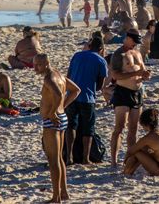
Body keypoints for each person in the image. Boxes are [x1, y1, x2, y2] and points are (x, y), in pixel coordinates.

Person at [35, 53, 80, 203]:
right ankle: (64, 193)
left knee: (53, 160)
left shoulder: (49, 78)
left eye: (38, 65)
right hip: (62, 118)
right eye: (34, 64)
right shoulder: (58, 74)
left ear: (46, 63)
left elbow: (59, 95)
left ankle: (56, 197)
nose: (35, 68)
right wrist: (62, 108)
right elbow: (76, 90)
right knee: (59, 158)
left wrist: (54, 111)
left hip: (52, 120)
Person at [109, 29, 151, 167]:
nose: (135, 45)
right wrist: (136, 74)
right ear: (127, 38)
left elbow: (142, 71)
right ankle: (114, 160)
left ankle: (130, 157)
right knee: (120, 127)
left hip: (137, 92)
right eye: (134, 42)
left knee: (133, 129)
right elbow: (116, 76)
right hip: (123, 92)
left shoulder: (137, 53)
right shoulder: (119, 54)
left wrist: (144, 75)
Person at [66, 36, 107, 165]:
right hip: (88, 98)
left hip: (72, 96)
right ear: (101, 49)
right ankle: (85, 158)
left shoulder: (77, 55)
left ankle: (69, 156)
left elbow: (68, 76)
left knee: (71, 126)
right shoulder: (101, 60)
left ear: (89, 46)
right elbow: (101, 84)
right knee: (88, 128)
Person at [123, 109, 159, 176]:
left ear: (145, 124)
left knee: (137, 152)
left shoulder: (149, 137)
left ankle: (126, 172)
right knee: (144, 149)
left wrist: (125, 161)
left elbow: (130, 151)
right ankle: (127, 172)